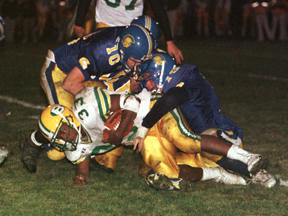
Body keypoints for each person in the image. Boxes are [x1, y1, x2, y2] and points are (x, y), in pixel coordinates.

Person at [30, 86, 269, 188]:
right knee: (170, 173)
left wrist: (118, 133)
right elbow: (81, 161)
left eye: (61, 131)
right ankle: (221, 175)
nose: (62, 139)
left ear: (69, 119)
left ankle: (247, 157)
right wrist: (81, 178)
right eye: (56, 137)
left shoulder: (87, 105)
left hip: (150, 112)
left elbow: (132, 101)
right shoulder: (73, 143)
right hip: (141, 139)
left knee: (184, 140)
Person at [21, 24, 155, 173]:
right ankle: (33, 140)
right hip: (60, 73)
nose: (138, 64)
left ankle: (87, 156)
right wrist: (97, 105)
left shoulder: (126, 40)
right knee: (65, 127)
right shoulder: (103, 53)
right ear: (124, 51)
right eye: (136, 60)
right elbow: (70, 84)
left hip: (83, 76)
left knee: (93, 117)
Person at [73, 0, 184, 64]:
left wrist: (79, 22)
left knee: (100, 70)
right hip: (132, 34)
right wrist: (169, 41)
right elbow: (158, 9)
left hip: (106, 29)